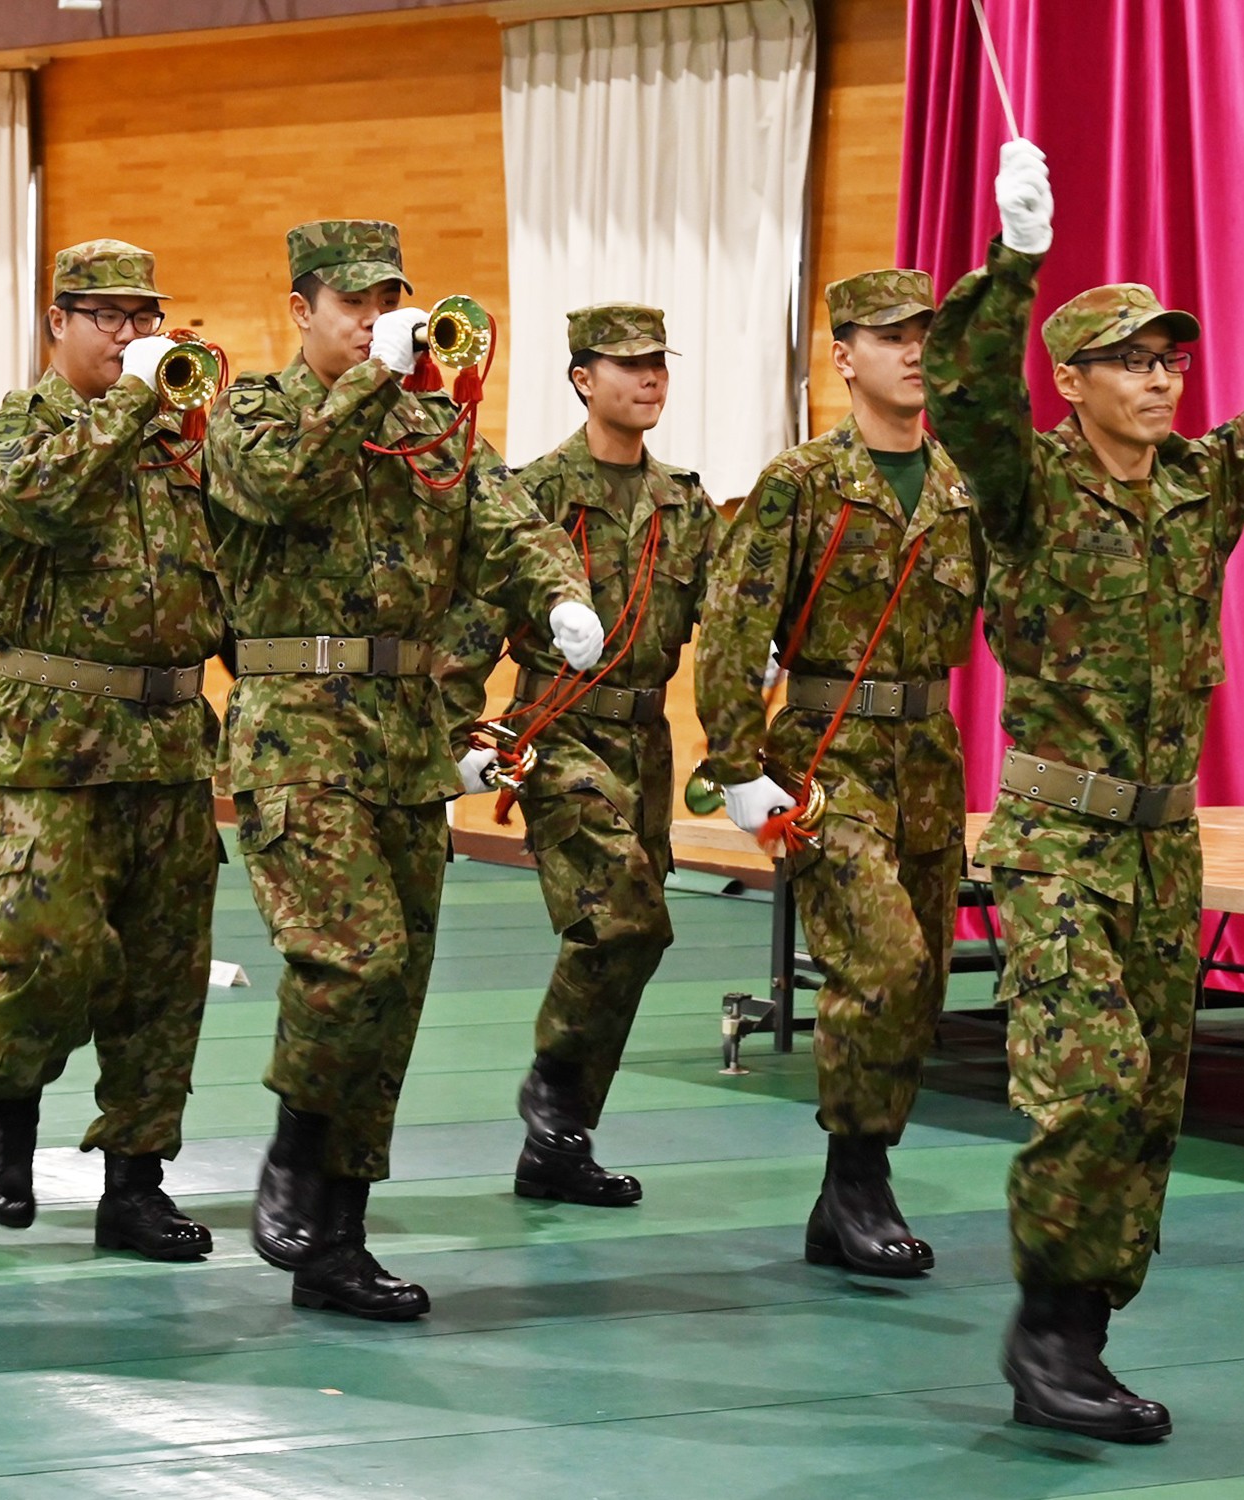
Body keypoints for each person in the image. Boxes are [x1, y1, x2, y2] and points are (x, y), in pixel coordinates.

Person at [924, 140, 1244, 1442]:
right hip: (1055, 838)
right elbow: (963, 396)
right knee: (1089, 1086)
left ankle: (1083, 1336)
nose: (1160, 377)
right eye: (1129, 359)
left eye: (1170, 358)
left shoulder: (1199, 484)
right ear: (1071, 380)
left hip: (1164, 846)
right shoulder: (1027, 490)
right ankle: (1043, 1334)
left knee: (1149, 1103)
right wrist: (1011, 263)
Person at [205, 219, 596, 1320]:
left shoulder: (435, 427)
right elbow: (277, 487)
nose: (379, 322)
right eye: (355, 304)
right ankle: (293, 1141)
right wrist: (372, 385)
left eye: (392, 302)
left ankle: (339, 1234)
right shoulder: (253, 415)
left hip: (404, 737)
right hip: (295, 731)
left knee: (397, 989)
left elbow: (506, 520)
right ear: (301, 310)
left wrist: (559, 592)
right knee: (354, 961)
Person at [695, 270, 983, 1279]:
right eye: (890, 335)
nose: (914, 351)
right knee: (885, 960)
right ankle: (858, 1181)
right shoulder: (805, 482)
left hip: (929, 763)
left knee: (924, 982)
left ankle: (848, 1189)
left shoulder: (960, 484)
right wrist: (733, 764)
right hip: (826, 759)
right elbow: (734, 626)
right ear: (844, 355)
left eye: (927, 335)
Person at [0, 239, 227, 1262]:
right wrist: (131, 406)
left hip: (169, 742)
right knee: (55, 947)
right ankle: (10, 1094)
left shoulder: (181, 439)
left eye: (142, 315)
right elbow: (31, 507)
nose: (129, 334)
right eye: (106, 316)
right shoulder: (17, 433)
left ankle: (136, 1179)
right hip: (57, 744)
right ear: (57, 323)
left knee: (165, 976)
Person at [440, 303, 720, 1207]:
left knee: (641, 935)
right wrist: (456, 744)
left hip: (646, 740)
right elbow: (475, 623)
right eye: (628, 365)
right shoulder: (534, 495)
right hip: (556, 730)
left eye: (658, 365)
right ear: (581, 379)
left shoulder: (684, 500)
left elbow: (725, 611)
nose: (649, 380)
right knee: (622, 916)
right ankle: (553, 1098)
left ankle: (559, 1139)